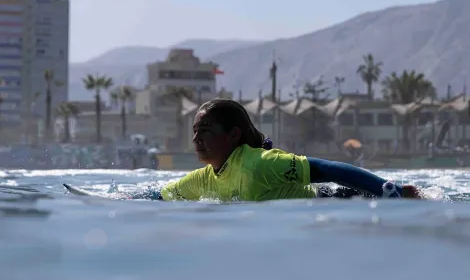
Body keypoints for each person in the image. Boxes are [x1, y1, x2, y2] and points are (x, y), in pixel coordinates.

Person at [147, 98, 420, 202]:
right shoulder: (204, 178)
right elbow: (161, 196)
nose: (196, 139)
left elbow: (326, 169)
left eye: (205, 131)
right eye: (194, 131)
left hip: (337, 199)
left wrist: (388, 191)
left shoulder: (259, 164)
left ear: (233, 135)